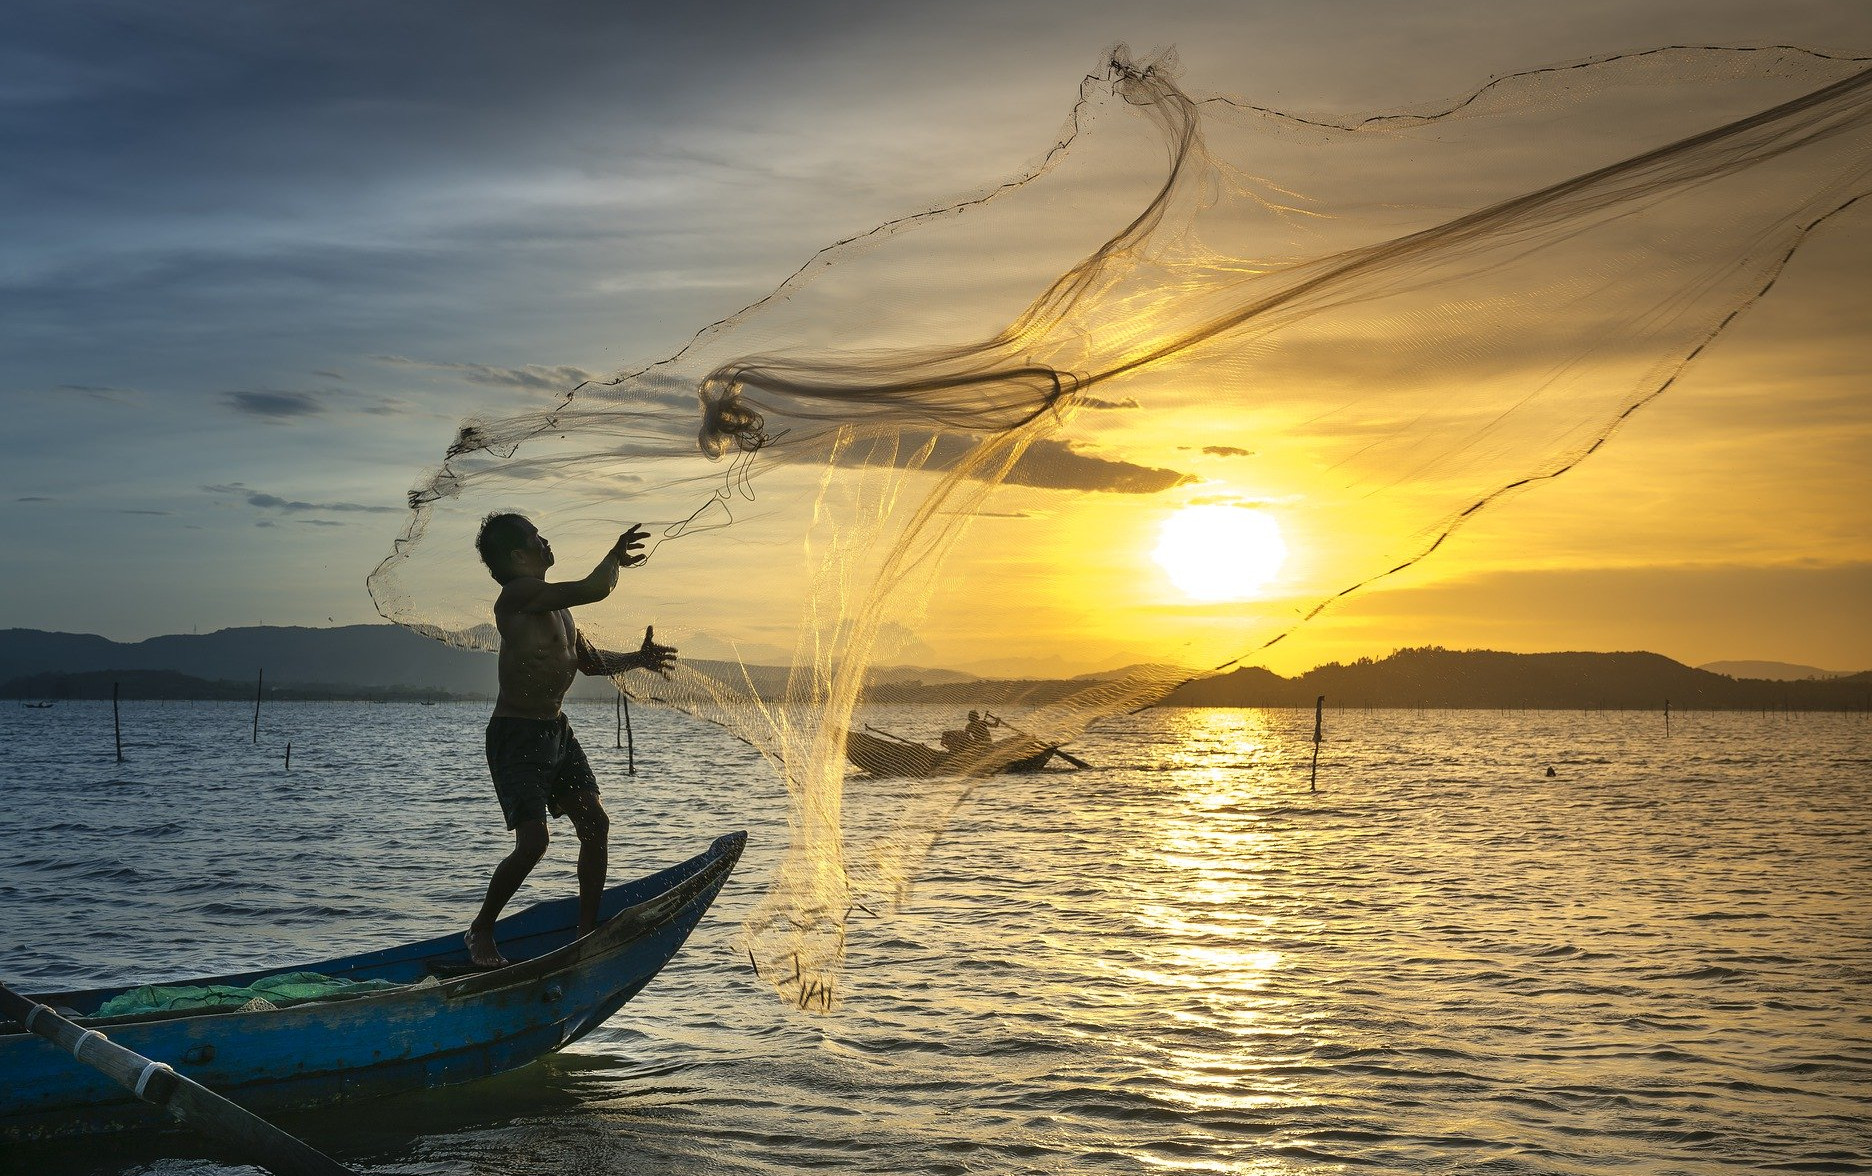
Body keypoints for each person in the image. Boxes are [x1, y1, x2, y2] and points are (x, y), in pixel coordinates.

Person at [464, 513, 677, 968]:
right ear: (518, 555)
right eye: (536, 537)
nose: (546, 540)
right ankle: (480, 930)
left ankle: (585, 931)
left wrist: (637, 659)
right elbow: (595, 587)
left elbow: (592, 663)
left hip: (556, 732)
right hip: (516, 735)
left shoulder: (558, 608)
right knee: (534, 842)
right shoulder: (518, 596)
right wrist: (614, 558)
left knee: (595, 825)